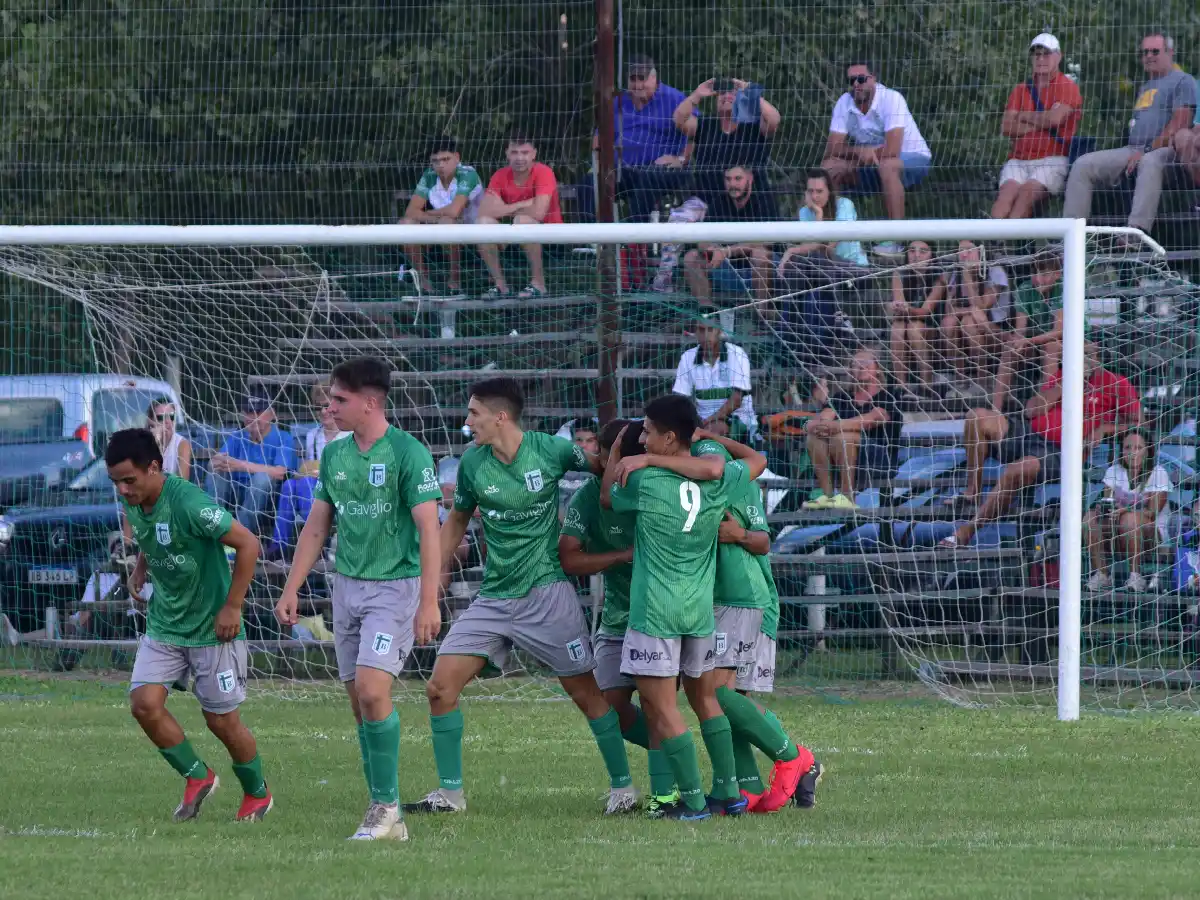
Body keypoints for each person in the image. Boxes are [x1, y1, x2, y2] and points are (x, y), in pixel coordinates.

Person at [405, 377, 661, 816]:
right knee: (440, 688)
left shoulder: (551, 450)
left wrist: (638, 469)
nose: (468, 422)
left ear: (500, 417)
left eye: (474, 413)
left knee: (588, 696)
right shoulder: (473, 464)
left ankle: (624, 789)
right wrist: (428, 589)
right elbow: (456, 523)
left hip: (547, 596)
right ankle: (450, 795)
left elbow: (604, 466)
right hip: (494, 597)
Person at [275, 356, 442, 841]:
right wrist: (291, 587)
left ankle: (385, 808)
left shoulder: (409, 453)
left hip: (394, 589)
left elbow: (429, 530)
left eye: (339, 399)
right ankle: (388, 814)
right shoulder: (335, 455)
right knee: (359, 704)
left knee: (372, 692)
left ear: (370, 403)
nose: (329, 407)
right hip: (345, 588)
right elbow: (317, 526)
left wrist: (429, 601)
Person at [600, 396, 769, 820]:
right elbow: (758, 460)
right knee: (706, 700)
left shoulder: (645, 481)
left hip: (656, 613)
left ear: (670, 437)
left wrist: (620, 453)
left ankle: (692, 801)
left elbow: (607, 497)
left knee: (662, 708)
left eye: (648, 431)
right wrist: (709, 439)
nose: (642, 439)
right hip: (699, 613)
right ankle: (728, 793)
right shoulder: (720, 479)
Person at [109, 427, 272, 823]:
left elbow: (248, 543)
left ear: (154, 467)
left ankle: (257, 793)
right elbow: (151, 535)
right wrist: (141, 569)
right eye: (116, 483)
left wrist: (233, 606)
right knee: (144, 704)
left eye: (129, 480)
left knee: (221, 721)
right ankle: (198, 776)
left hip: (212, 628)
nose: (123, 491)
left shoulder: (189, 502)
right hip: (165, 623)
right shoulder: (135, 500)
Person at [690, 434, 820, 814]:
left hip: (743, 597)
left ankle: (794, 756)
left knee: (716, 694)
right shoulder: (697, 473)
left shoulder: (726, 474)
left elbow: (762, 541)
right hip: (718, 599)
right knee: (730, 698)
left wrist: (739, 535)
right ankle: (747, 786)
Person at [558, 420, 675, 809]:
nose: (606, 463)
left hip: (660, 616)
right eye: (608, 455)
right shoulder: (588, 496)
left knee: (660, 705)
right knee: (609, 706)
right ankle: (674, 755)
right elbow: (569, 558)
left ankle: (668, 788)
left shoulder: (655, 487)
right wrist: (622, 556)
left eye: (617, 456)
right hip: (616, 617)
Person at [943, 344, 1141, 546]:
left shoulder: (1116, 383)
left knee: (1019, 469)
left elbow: (1139, 422)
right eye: (1079, 353)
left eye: (1088, 354)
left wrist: (1105, 429)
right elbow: (1031, 411)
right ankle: (972, 491)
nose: (1083, 358)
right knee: (977, 416)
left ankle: (968, 530)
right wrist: (1066, 384)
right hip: (1030, 433)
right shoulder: (1061, 376)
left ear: (1099, 358)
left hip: (1061, 450)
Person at [652, 77, 781, 292]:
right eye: (722, 93)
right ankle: (664, 278)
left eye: (732, 93)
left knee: (757, 246)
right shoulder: (705, 125)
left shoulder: (752, 126)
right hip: (706, 200)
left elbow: (774, 119)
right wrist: (696, 95)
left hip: (745, 202)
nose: (727, 96)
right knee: (677, 222)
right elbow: (679, 120)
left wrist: (749, 91)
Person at [1063, 30, 1197, 239]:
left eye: (1155, 51)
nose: (1148, 56)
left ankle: (1135, 234)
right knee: (1082, 165)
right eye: (1144, 52)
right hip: (1132, 149)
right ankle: (1070, 238)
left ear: (1170, 52)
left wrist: (1146, 150)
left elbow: (1179, 125)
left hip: (1166, 151)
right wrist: (1139, 150)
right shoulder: (1145, 86)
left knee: (1149, 162)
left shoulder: (1183, 81)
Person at [820, 57, 932, 249]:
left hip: (911, 158)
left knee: (888, 166)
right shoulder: (844, 103)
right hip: (871, 164)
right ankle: (828, 240)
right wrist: (859, 152)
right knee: (829, 167)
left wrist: (863, 155)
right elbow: (832, 149)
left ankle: (896, 241)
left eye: (861, 79)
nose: (856, 84)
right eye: (851, 80)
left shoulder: (892, 99)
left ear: (873, 78)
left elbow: (893, 150)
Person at [777, 169, 869, 367]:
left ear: (830, 191)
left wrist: (817, 215)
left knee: (813, 261)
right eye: (810, 191)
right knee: (799, 268)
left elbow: (827, 247)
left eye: (819, 191)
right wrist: (794, 253)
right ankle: (791, 333)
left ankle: (813, 335)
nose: (815, 196)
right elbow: (809, 249)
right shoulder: (804, 212)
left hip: (853, 270)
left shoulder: (844, 206)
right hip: (821, 271)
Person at [992, 34, 1084, 219]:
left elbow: (1055, 120)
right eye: (1036, 54)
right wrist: (1043, 120)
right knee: (1005, 197)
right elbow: (1007, 127)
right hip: (1018, 159)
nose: (1041, 59)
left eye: (1046, 54)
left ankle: (1009, 236)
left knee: (1026, 194)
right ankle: (991, 237)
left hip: (1052, 159)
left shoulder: (1068, 87)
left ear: (1058, 56)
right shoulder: (1020, 89)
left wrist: (1023, 116)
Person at [803, 347, 901, 510]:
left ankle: (847, 497)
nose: (861, 367)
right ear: (850, 371)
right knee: (814, 438)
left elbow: (873, 419)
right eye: (856, 364)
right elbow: (824, 417)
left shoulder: (889, 394)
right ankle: (828, 496)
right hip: (840, 456)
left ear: (878, 368)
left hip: (879, 457)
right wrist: (817, 425)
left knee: (842, 437)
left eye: (866, 363)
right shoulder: (842, 397)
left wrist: (835, 426)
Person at [475, 133, 563, 300]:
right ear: (507, 153)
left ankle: (539, 284)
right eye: (514, 152)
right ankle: (500, 285)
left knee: (522, 220)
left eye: (525, 152)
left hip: (548, 238)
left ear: (534, 154)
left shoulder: (543, 172)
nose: (519, 158)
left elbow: (539, 213)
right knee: (483, 223)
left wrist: (503, 209)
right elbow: (484, 212)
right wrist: (522, 204)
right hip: (511, 238)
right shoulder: (500, 175)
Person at [267, 382, 350, 557]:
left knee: (305, 483)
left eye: (327, 406)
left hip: (343, 491)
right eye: (318, 407)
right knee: (289, 486)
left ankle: (318, 541)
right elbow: (310, 467)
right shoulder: (313, 435)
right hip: (316, 490)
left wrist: (318, 472)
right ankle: (279, 546)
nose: (323, 412)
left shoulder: (350, 435)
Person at [609, 54, 695, 222]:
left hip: (664, 170)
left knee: (648, 177)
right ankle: (589, 235)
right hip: (625, 169)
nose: (637, 85)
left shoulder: (674, 98)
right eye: (633, 79)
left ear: (654, 78)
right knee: (590, 183)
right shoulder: (618, 102)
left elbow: (695, 132)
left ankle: (634, 233)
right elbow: (599, 138)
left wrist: (681, 159)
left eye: (642, 78)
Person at [1086, 429, 1171, 593]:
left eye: (1138, 448)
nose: (1132, 453)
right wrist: (1103, 509)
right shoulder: (1114, 471)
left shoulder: (1158, 472)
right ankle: (1102, 575)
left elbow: (1152, 512)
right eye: (1127, 447)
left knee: (1129, 519)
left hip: (1151, 536)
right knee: (1089, 518)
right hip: (1117, 531)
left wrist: (1125, 510)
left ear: (1148, 450)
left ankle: (1136, 576)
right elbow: (1108, 502)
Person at [681, 165, 778, 309]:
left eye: (738, 179)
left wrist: (726, 252)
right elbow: (702, 238)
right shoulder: (719, 201)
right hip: (726, 268)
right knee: (691, 257)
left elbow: (764, 242)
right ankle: (706, 312)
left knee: (760, 254)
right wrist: (711, 248)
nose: (732, 184)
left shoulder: (765, 201)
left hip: (761, 269)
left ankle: (762, 314)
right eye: (728, 179)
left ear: (750, 179)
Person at [401, 137, 485, 294]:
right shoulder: (429, 175)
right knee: (406, 223)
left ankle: (454, 283)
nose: (440, 165)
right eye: (435, 161)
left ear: (457, 157)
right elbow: (411, 211)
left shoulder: (468, 174)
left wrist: (427, 214)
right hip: (444, 223)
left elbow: (454, 211)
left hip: (474, 227)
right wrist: (433, 218)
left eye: (446, 159)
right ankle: (423, 283)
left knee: (447, 222)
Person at [206, 392, 298, 533]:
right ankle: (213, 528)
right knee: (216, 471)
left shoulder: (284, 438)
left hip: (269, 499)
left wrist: (241, 465)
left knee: (261, 479)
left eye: (258, 412)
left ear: (272, 414)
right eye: (249, 412)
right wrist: (218, 461)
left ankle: (239, 534)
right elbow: (213, 462)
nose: (253, 418)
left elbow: (281, 472)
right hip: (235, 492)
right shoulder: (237, 436)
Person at [991, 251, 1063, 414]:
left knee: (1051, 347)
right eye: (1034, 273)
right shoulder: (1024, 288)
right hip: (1037, 340)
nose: (1038, 279)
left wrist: (1028, 341)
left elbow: (1059, 331)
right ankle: (995, 412)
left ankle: (1045, 409)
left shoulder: (1064, 288)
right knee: (1010, 348)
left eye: (1044, 274)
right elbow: (1020, 330)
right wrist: (1017, 341)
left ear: (1057, 275)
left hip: (1072, 342)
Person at [672, 316, 758, 442]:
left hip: (736, 418)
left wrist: (706, 422)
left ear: (719, 331)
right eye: (701, 330)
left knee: (714, 430)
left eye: (710, 329)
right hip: (702, 420)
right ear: (695, 332)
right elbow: (681, 398)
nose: (706, 335)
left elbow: (736, 401)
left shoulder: (737, 354)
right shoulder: (687, 357)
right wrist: (694, 421)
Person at [940, 241, 1010, 394]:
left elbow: (982, 307)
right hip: (965, 329)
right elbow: (949, 310)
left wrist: (968, 279)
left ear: (982, 251)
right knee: (949, 323)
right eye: (961, 250)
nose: (964, 255)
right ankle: (960, 380)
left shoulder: (994, 271)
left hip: (994, 330)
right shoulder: (956, 273)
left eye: (969, 250)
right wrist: (970, 310)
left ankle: (982, 381)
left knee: (969, 323)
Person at [889, 241, 946, 397]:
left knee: (914, 328)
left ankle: (926, 384)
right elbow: (900, 305)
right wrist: (897, 307)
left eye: (923, 251)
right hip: (907, 325)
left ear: (932, 255)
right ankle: (901, 386)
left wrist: (907, 309)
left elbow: (926, 312)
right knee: (898, 328)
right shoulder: (899, 273)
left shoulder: (939, 276)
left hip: (933, 328)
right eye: (912, 251)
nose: (916, 255)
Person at [147, 397, 191, 480]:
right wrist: (155, 441)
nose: (167, 421)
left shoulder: (182, 444)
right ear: (151, 421)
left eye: (171, 416)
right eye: (161, 417)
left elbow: (183, 482)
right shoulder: (144, 442)